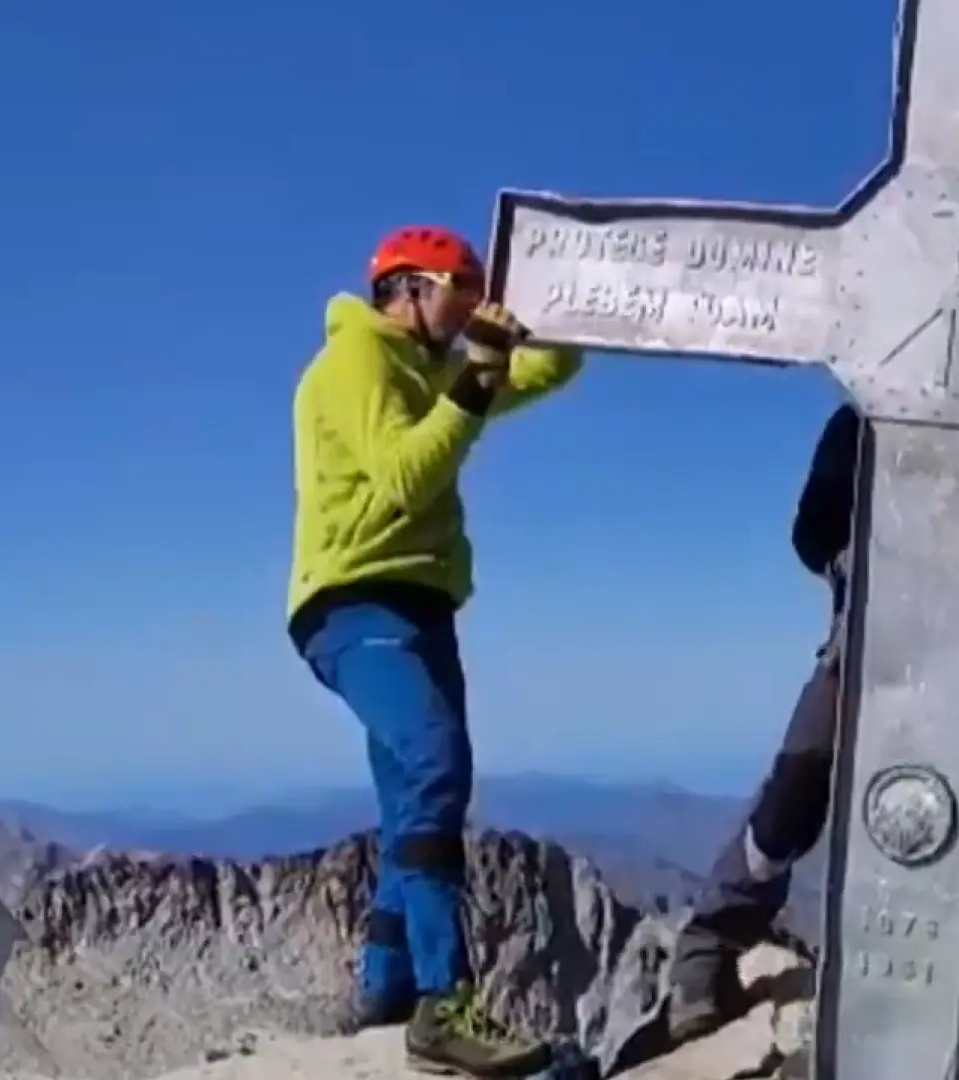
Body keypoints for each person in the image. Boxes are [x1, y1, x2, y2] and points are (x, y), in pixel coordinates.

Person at [288, 226, 584, 1077]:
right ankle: (442, 1005)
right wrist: (477, 376)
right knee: (435, 768)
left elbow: (549, 370)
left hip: (419, 603)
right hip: (354, 599)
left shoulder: (431, 366)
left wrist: (554, 312)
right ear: (410, 288)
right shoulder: (355, 363)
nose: (470, 307)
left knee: (408, 797)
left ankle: (385, 991)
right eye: (462, 287)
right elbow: (405, 474)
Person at [668, 404, 959, 1041]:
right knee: (811, 785)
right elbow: (813, 530)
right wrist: (855, 560)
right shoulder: (890, 409)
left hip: (953, 651)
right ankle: (708, 950)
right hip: (884, 645)